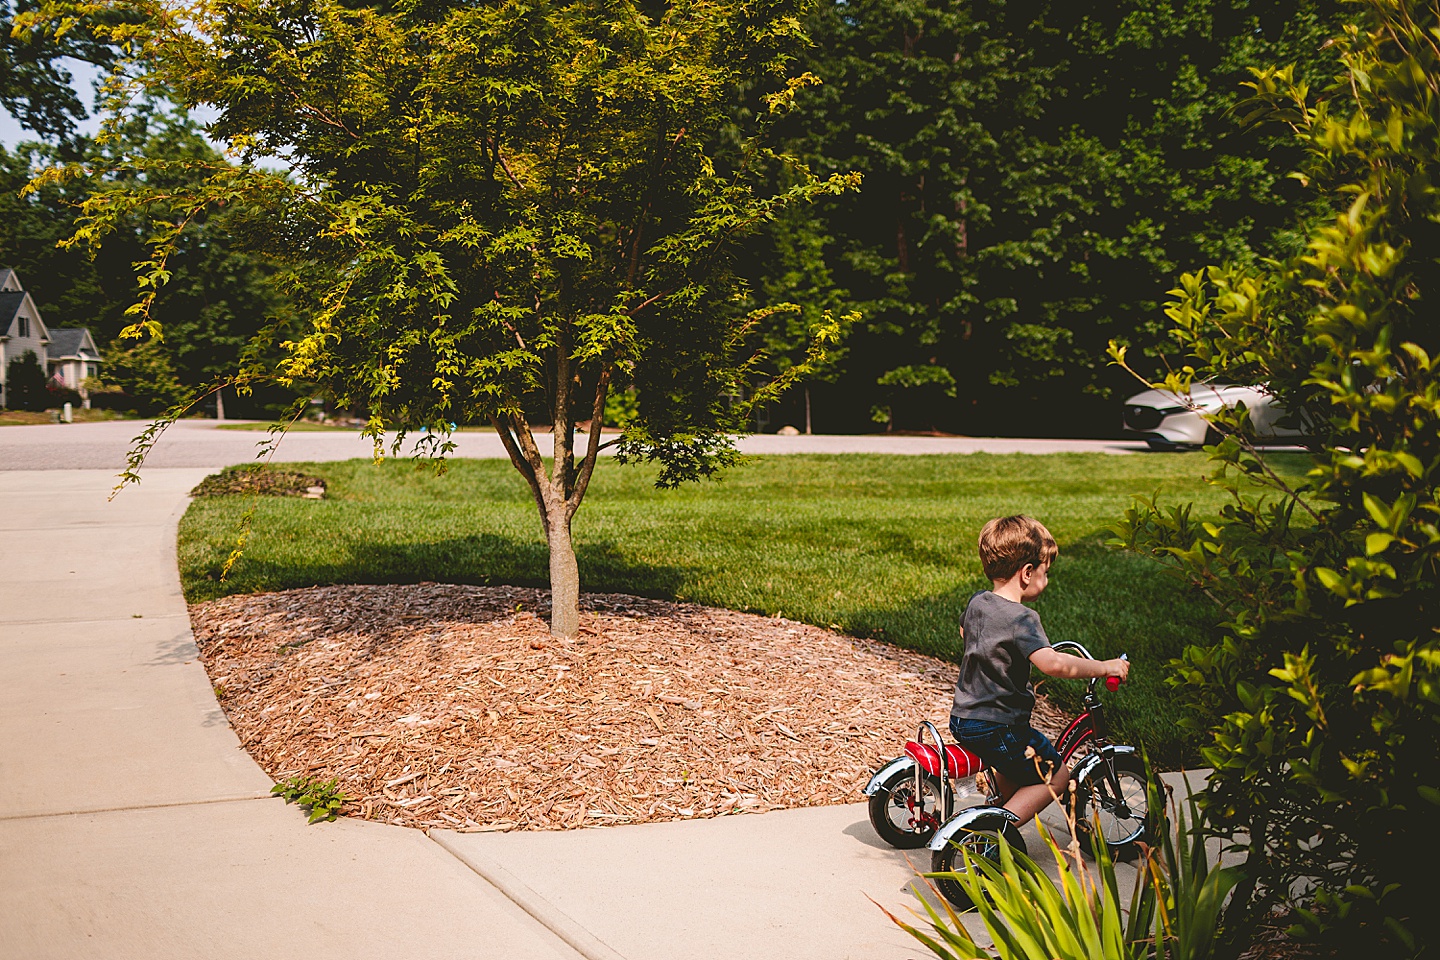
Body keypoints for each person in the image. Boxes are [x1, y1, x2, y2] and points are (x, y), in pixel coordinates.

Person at [949, 515, 1129, 825]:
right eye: (1045, 573)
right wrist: (1103, 667)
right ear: (1027, 572)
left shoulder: (978, 602)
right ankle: (994, 832)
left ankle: (994, 810)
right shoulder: (1022, 619)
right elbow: (1053, 663)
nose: (1046, 580)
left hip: (964, 718)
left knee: (1015, 771)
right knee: (1057, 777)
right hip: (1000, 726)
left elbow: (966, 634)